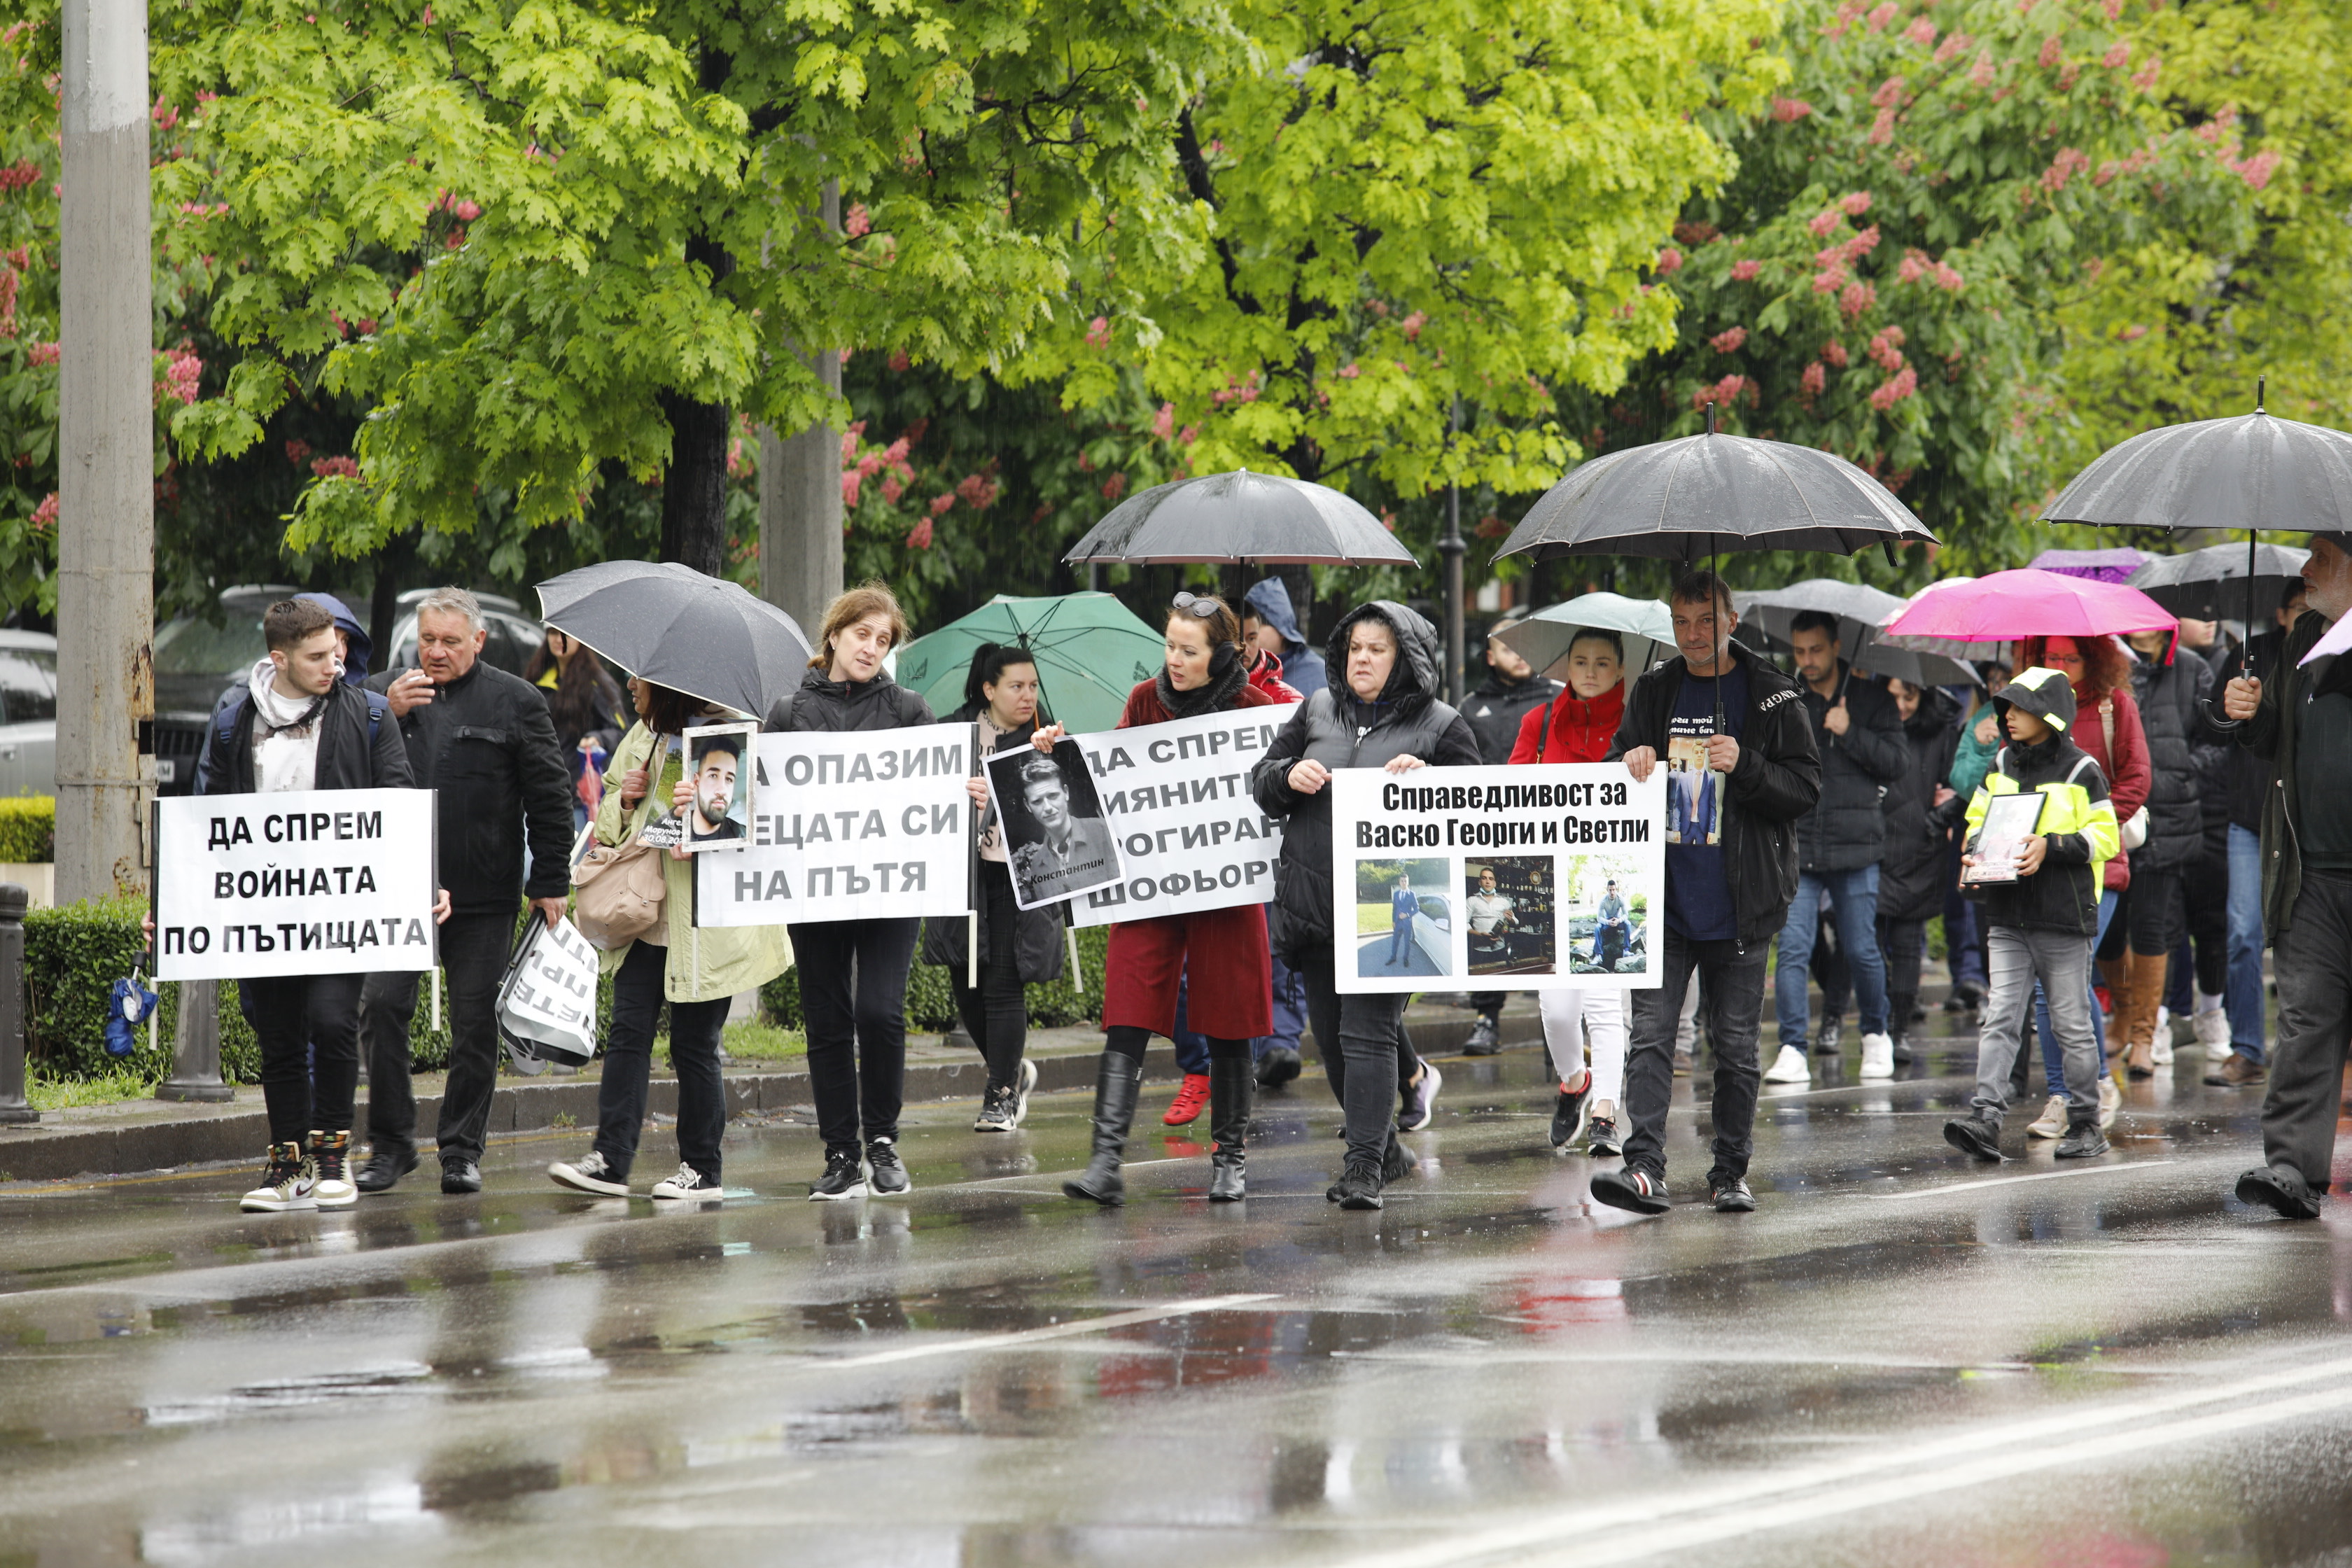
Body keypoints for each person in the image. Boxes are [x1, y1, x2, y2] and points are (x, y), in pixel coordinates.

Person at [195, 598, 437, 1212]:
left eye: (337, 652)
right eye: (317, 656)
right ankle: (288, 1164)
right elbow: (205, 820)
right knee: (278, 1035)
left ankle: (333, 1156)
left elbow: (399, 804)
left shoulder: (370, 715)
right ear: (278, 658)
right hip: (265, 910)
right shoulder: (232, 722)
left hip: (342, 908)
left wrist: (422, 881)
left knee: (332, 1021)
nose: (336, 664)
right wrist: (172, 903)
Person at [1591, 570, 1820, 1216]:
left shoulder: (1773, 695)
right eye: (1683, 622)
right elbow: (1616, 774)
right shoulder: (1655, 689)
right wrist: (1627, 762)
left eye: (1707, 621)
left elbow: (1805, 789)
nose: (1694, 635)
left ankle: (1729, 1172)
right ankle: (1644, 1169)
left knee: (1737, 1047)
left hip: (1744, 905)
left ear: (1732, 621)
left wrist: (1744, 763)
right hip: (1663, 902)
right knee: (1651, 1036)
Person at [1043, 591, 1282, 1205]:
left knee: (1231, 1022)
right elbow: (1114, 780)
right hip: (1153, 885)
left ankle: (1229, 1160)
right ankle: (1105, 1162)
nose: (1173, 660)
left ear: (1222, 655)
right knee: (1126, 1008)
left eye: (1188, 650)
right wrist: (1059, 756)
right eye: (1169, 646)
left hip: (1228, 890)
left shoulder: (1255, 707)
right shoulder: (1144, 701)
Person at [1256, 601, 1482, 1208]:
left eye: (1376, 649)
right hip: (1312, 908)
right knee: (1330, 1044)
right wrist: (1288, 776)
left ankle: (1362, 1170)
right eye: (1355, 648)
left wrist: (1430, 779)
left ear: (1404, 658)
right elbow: (1263, 778)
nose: (1362, 658)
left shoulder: (1441, 725)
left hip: (1382, 907)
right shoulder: (1316, 709)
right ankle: (1386, 1151)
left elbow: (1479, 815)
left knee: (1367, 1035)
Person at [354, 587, 573, 1196]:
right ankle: (392, 1145)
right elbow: (337, 754)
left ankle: (460, 1149)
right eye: (428, 640)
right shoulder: (380, 694)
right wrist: (381, 709)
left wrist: (550, 880)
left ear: (478, 640)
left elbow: (550, 796)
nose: (437, 652)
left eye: (451, 641)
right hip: (400, 891)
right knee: (381, 1008)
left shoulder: (517, 700)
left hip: (483, 895)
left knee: (474, 1026)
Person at [547, 678, 789, 1202]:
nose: (630, 688)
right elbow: (608, 827)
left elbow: (752, 821)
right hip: (646, 914)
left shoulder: (732, 735)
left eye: (639, 682)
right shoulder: (641, 735)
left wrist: (702, 815)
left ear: (666, 686)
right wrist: (629, 801)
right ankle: (611, 1160)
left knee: (693, 1045)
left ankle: (703, 1171)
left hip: (708, 920)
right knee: (628, 1032)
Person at [768, 584, 938, 1200]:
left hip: (890, 891)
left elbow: (937, 800)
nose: (871, 648)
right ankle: (841, 1153)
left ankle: (883, 1143)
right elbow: (756, 802)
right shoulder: (787, 713)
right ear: (834, 635)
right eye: (862, 634)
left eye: (883, 640)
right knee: (828, 1020)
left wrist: (965, 795)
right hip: (814, 892)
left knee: (879, 1011)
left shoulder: (911, 710)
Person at [2216, 532, 2352, 1219]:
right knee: (2306, 1024)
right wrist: (2247, 713)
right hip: (2311, 873)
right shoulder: (2303, 638)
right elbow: (2277, 740)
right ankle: (2293, 1169)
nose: (2305, 571)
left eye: (2321, 558)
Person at [1942, 667, 2121, 1163]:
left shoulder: (2083, 769)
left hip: (2064, 917)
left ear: (2049, 714)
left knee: (2069, 1024)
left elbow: (2107, 837)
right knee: (1999, 1017)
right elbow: (1978, 820)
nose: (2008, 716)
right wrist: (1974, 851)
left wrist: (2052, 846)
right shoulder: (2000, 763)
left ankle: (2086, 1123)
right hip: (2007, 913)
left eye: (2018, 707)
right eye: (2006, 708)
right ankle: (1985, 1118)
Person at [920, 644, 1061, 1132]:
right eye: (1015, 686)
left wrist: (1053, 755)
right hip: (961, 873)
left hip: (1013, 874)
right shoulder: (951, 731)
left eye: (1033, 686)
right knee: (965, 983)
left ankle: (1000, 1093)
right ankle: (1014, 1070)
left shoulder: (1044, 735)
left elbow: (1063, 806)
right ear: (989, 689)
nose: (1027, 696)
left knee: (1003, 984)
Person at [2012, 634, 2148, 1133]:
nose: (2062, 666)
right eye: (2052, 657)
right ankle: (2065, 1093)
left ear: (2093, 661)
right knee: (2054, 986)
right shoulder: (2023, 712)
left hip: (2097, 867)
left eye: (2071, 658)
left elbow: (2137, 777)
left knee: (2062, 981)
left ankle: (2084, 1089)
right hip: (2039, 866)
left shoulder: (2115, 707)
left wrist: (2090, 828)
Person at [1764, 610, 1907, 1084]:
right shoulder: (1787, 703)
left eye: (1816, 650)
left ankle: (1875, 1035)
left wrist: (1851, 732)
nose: (1806, 660)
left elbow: (1896, 765)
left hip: (1858, 847)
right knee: (1793, 950)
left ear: (1837, 645)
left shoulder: (1871, 700)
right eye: (1799, 651)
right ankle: (1791, 1048)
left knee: (1862, 947)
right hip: (1801, 845)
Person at [1507, 624, 1632, 1152]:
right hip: (1546, 880)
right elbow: (1507, 792)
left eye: (1603, 662)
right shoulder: (1538, 724)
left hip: (1613, 870)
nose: (1590, 671)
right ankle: (1575, 1082)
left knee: (1606, 1004)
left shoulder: (1634, 722)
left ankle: (1605, 1111)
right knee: (1559, 1012)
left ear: (1621, 670)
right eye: (1581, 661)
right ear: (1565, 666)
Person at [2204, 580, 2305, 1088]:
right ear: (2280, 612)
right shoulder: (2251, 654)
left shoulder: (2334, 658)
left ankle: (2306, 1051)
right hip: (2248, 814)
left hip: (2302, 819)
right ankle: (2246, 1047)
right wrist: (2234, 704)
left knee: (2304, 941)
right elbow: (2216, 723)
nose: (2304, 615)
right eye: (2297, 607)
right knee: (2243, 931)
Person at [1456, 617, 1561, 1052]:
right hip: (1491, 828)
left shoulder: (1559, 697)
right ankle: (1487, 1016)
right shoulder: (1470, 706)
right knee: (1488, 921)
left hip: (1551, 827)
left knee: (1547, 922)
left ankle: (1554, 1024)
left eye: (1524, 644)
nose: (1517, 653)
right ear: (1489, 656)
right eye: (1506, 645)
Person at [2113, 621, 2212, 1077]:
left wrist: (2182, 771)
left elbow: (2220, 739)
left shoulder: (2192, 669)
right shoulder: (2112, 667)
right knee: (2111, 932)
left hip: (2169, 819)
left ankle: (2144, 1037)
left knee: (2153, 927)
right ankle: (2123, 1016)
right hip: (2113, 813)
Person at [1877, 677, 1963, 1065]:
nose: (1901, 705)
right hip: (1878, 842)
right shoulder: (1873, 723)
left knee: (1909, 944)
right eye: (1893, 695)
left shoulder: (1943, 730)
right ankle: (1876, 1026)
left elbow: (1961, 786)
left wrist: (1935, 818)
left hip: (1921, 847)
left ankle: (1898, 1029)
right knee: (1869, 944)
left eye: (1909, 696)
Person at [524, 626, 624, 834]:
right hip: (537, 791)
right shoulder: (536, 679)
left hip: (578, 796)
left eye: (566, 634)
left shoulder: (598, 682)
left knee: (573, 863)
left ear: (579, 639)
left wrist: (598, 737)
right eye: (552, 633)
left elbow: (621, 731)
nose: (559, 639)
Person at [1007, 754, 1116, 902]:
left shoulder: (1103, 831)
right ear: (1028, 806)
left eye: (1052, 796)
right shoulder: (1038, 865)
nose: (1048, 808)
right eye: (1037, 801)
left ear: (1066, 793)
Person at [1243, 577, 1326, 697]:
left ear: (1281, 629)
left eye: (1258, 625)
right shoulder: (1235, 671)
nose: (1247, 638)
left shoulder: (1320, 676)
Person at [685, 731, 748, 842]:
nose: (722, 790)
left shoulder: (743, 835)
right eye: (713, 776)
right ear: (696, 781)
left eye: (729, 779)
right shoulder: (673, 828)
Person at [1386, 874, 1419, 965]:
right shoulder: (1396, 894)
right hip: (1397, 923)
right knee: (1395, 941)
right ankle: (1393, 957)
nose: (1404, 883)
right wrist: (1393, 921)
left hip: (1407, 923)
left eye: (1405, 881)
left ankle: (1405, 959)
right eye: (1402, 881)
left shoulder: (1412, 894)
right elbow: (1394, 909)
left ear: (1408, 882)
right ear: (1399, 882)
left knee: (1407, 942)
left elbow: (1417, 908)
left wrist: (1407, 915)